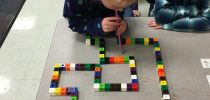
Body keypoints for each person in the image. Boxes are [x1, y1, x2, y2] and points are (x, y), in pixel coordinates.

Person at [63, 0, 137, 36]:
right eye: (117, 7)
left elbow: (120, 11)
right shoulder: (73, 2)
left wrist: (121, 21)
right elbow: (76, 24)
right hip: (87, 35)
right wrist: (98, 26)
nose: (121, 10)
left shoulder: (112, 2)